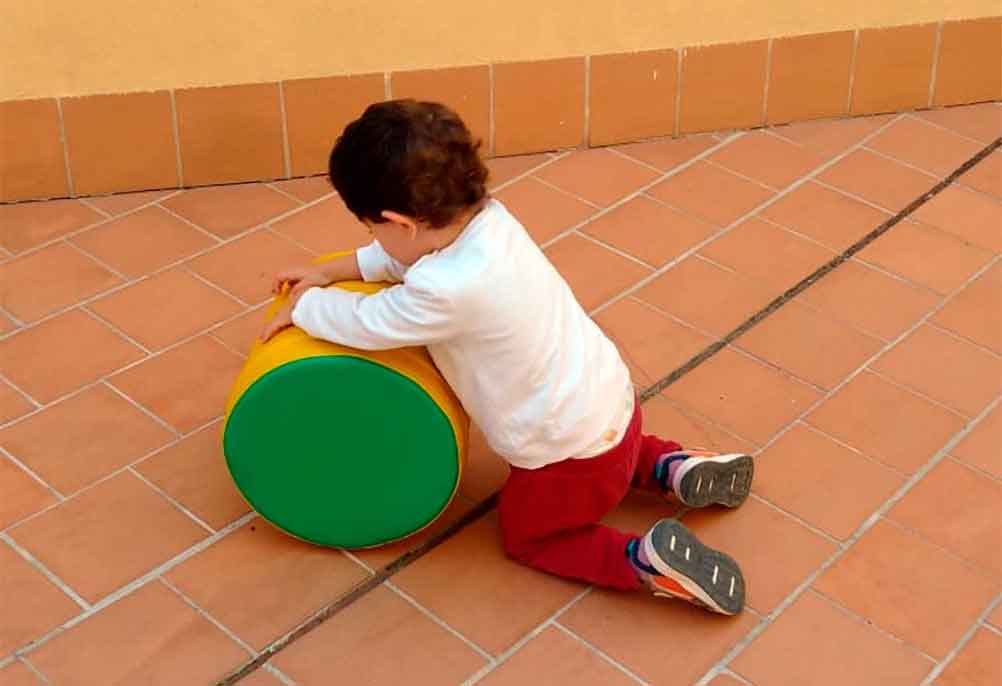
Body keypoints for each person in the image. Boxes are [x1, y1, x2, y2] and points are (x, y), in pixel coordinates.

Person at [262, 100, 753, 615]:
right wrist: (334, 269)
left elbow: (370, 322)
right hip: (613, 405)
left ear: (399, 222)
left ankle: (642, 562)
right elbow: (405, 258)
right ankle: (672, 468)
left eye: (370, 229)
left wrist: (307, 307)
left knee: (528, 534)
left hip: (565, 458)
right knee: (614, 451)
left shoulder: (445, 291)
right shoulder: (488, 222)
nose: (373, 241)